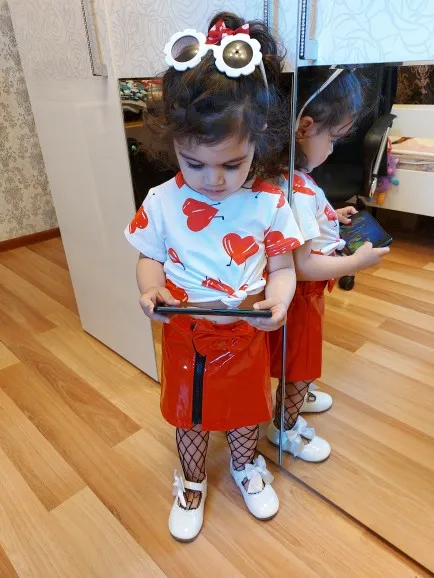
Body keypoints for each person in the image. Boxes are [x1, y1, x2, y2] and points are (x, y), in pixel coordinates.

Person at [124, 13, 303, 541]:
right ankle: (192, 478)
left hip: (246, 329)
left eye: (231, 164)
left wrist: (279, 302)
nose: (213, 180)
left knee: (246, 408)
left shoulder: (269, 203)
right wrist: (150, 288)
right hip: (186, 331)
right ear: (174, 143)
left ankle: (246, 464)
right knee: (190, 413)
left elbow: (283, 267)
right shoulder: (162, 201)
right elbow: (148, 257)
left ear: (259, 141)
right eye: (194, 163)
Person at [267, 68, 390, 462]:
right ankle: (284, 429)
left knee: (295, 357)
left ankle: (294, 398)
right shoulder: (297, 189)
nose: (333, 149)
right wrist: (355, 261)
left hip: (298, 293)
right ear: (305, 127)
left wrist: (331, 215)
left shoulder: (288, 178)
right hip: (301, 295)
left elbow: (299, 227)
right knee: (301, 363)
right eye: (333, 139)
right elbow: (301, 265)